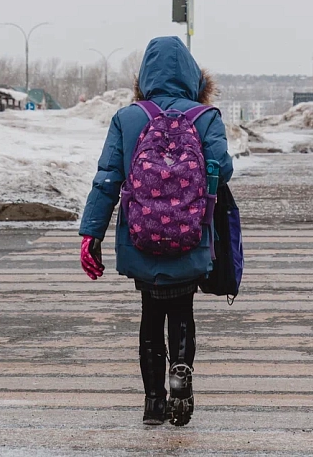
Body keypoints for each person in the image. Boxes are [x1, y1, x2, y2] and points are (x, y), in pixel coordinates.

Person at [79, 36, 234, 427]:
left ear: (144, 76)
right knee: (182, 309)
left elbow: (107, 180)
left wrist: (90, 233)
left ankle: (153, 403)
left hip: (140, 234)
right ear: (194, 76)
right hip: (191, 231)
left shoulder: (128, 118)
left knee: (151, 316)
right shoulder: (205, 117)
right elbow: (223, 169)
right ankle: (181, 367)